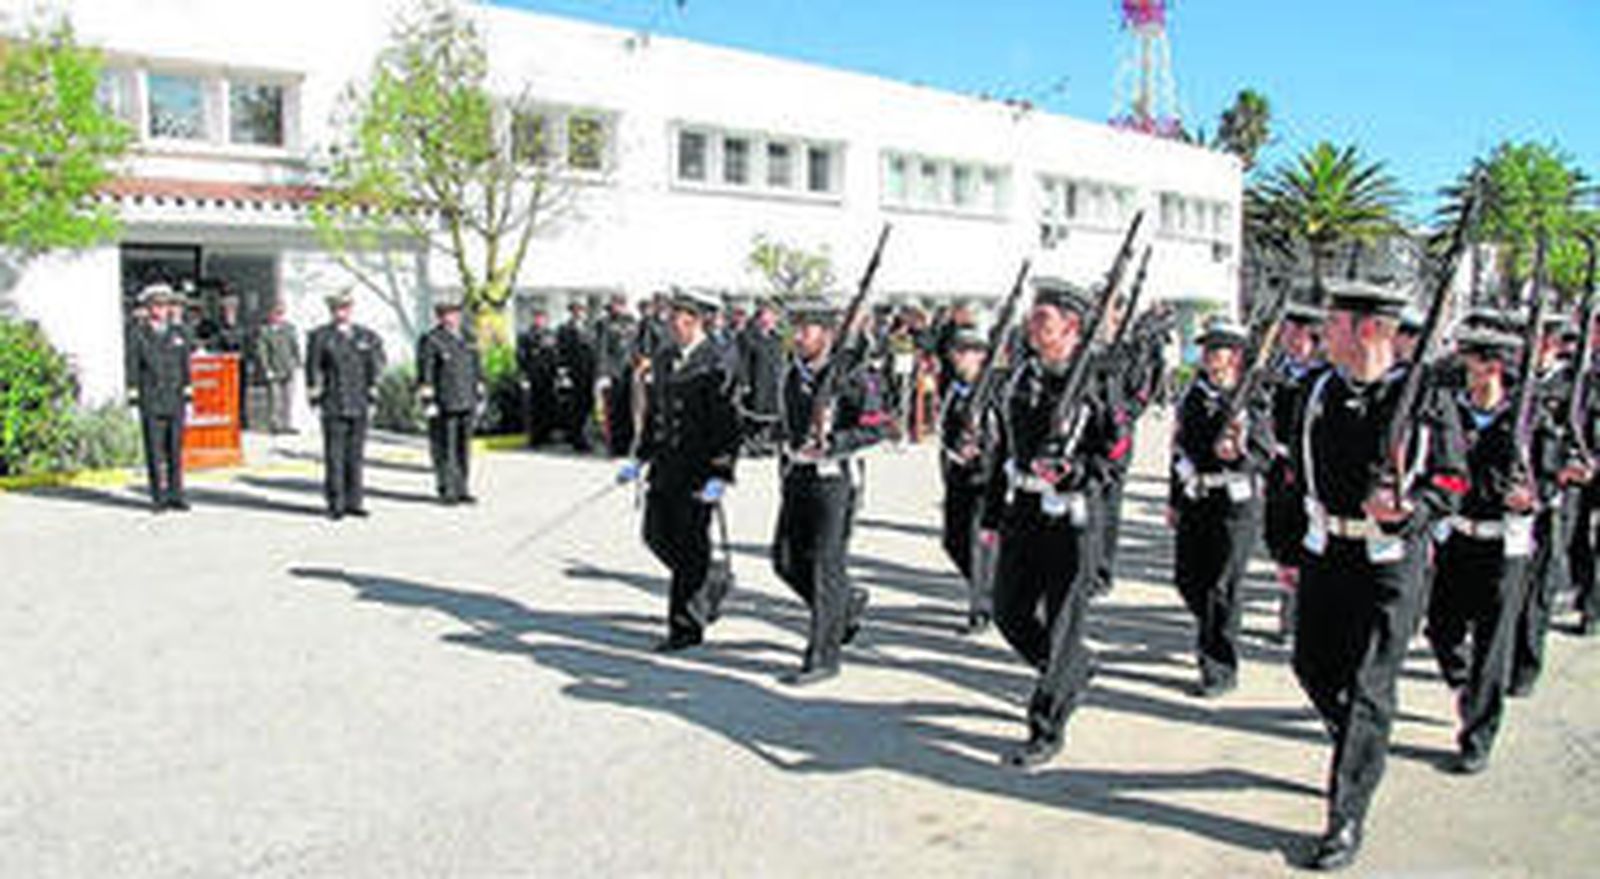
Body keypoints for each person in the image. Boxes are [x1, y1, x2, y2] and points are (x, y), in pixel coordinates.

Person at [1288, 279, 1467, 871]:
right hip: (1325, 552)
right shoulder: (1315, 390)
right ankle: (1362, 742)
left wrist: (1412, 512)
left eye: (1333, 324)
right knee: (1311, 664)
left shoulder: (1423, 398)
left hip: (1388, 564)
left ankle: (1346, 815)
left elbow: (1450, 480)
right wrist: (1288, 548)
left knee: (1369, 686)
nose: (1322, 334)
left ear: (1368, 330)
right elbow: (1292, 475)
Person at [978, 277, 1123, 769]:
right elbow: (1002, 453)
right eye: (1033, 317)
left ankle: (1047, 725)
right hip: (1024, 510)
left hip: (1074, 517)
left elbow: (1115, 453)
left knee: (1062, 622)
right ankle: (1070, 669)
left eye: (1043, 319)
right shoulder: (1021, 378)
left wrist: (1076, 471)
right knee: (1008, 611)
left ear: (1072, 327)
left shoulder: (1099, 382)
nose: (1033, 326)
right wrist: (993, 514)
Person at [1425, 325, 1555, 775]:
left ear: (1494, 367)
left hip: (1505, 544)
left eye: (1472, 362)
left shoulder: (1527, 416)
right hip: (1458, 535)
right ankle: (1466, 687)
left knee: (1491, 644)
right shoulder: (1450, 411)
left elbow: (1553, 473)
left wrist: (1535, 497)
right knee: (1440, 627)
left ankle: (1477, 735)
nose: (1463, 370)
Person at [771, 295, 888, 685]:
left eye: (807, 329)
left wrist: (833, 443)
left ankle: (823, 656)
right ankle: (846, 604)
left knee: (825, 566)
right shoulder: (793, 373)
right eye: (796, 328)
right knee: (785, 560)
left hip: (834, 480)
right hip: (797, 475)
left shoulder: (852, 374)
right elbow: (788, 422)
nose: (799, 336)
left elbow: (878, 426)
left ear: (827, 333)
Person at [618, 288, 743, 651]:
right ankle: (710, 580)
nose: (672, 326)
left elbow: (728, 425)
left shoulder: (717, 360)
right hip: (665, 466)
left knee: (690, 548)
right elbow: (657, 414)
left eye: (678, 320)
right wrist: (639, 457)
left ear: (695, 321)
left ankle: (685, 627)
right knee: (656, 536)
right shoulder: (664, 356)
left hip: (699, 471)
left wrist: (720, 475)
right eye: (671, 319)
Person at [1169, 317, 1270, 697]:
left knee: (1221, 586)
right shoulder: (1193, 395)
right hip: (1197, 499)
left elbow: (1264, 454)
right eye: (1208, 349)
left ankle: (1219, 668)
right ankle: (1215, 629)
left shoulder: (1252, 398)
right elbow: (1178, 450)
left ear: (1236, 357)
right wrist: (1175, 499)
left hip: (1235, 505)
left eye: (1219, 349)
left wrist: (1238, 453)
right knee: (1187, 579)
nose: (1210, 355)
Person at [1262, 301, 1329, 642]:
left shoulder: (1323, 379)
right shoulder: (1274, 370)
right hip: (1277, 464)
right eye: (1287, 332)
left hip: (1308, 469)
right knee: (1280, 539)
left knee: (1305, 541)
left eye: (1296, 334)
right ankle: (1288, 609)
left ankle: (1297, 617)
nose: (1289, 339)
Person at [306, 289, 385, 520]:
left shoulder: (365, 336)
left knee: (355, 455)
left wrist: (373, 395)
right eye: (338, 309)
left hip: (358, 402)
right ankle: (335, 502)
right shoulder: (320, 336)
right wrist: (314, 396)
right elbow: (313, 368)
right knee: (334, 455)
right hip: (334, 402)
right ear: (331, 311)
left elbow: (374, 368)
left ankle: (355, 501)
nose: (342, 312)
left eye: (346, 308)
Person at [938, 323, 997, 633]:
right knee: (952, 541)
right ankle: (989, 585)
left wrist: (983, 454)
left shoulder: (993, 391)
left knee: (979, 544)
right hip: (957, 474)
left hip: (984, 479)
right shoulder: (954, 387)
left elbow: (1005, 438)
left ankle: (981, 608)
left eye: (964, 352)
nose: (956, 358)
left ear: (980, 356)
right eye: (955, 351)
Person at [124, 283, 194, 512]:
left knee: (175, 450)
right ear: (148, 308)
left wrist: (189, 397)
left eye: (165, 305)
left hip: (174, 399)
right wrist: (134, 400)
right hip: (151, 399)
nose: (161, 310)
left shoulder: (179, 333)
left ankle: (177, 494)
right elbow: (132, 367)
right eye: (156, 305)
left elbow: (185, 367)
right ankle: (158, 497)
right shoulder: (138, 334)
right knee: (154, 451)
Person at [417, 296, 483, 505]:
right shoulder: (431, 339)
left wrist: (480, 394)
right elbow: (425, 373)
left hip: (466, 400)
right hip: (444, 403)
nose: (451, 318)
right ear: (440, 316)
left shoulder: (468, 337)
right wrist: (428, 402)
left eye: (454, 314)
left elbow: (476, 369)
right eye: (446, 314)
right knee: (445, 448)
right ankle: (447, 489)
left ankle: (462, 488)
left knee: (463, 448)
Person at [737, 298, 785, 454]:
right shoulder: (747, 336)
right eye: (767, 315)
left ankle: (766, 441)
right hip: (756, 380)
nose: (770, 320)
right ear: (760, 317)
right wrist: (744, 382)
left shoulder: (777, 339)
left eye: (773, 316)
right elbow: (743, 361)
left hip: (772, 381)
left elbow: (781, 361)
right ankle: (752, 443)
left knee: (771, 413)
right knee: (754, 413)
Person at [595, 294, 639, 457]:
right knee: (612, 411)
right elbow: (601, 349)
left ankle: (627, 445)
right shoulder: (604, 323)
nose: (619, 307)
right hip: (612, 372)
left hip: (629, 371)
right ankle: (614, 447)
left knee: (628, 409)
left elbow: (636, 345)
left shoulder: (631, 321)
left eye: (621, 304)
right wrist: (602, 374)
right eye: (616, 304)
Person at [556, 299, 597, 452]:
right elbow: (561, 352)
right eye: (576, 310)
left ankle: (582, 435)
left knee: (587, 405)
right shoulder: (564, 329)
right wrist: (563, 371)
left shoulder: (589, 328)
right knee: (575, 406)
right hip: (573, 372)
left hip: (588, 373)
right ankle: (576, 438)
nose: (579, 313)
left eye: (581, 310)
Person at [516, 307, 560, 448]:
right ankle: (535, 437)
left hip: (548, 376)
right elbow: (521, 357)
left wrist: (557, 372)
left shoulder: (551, 335)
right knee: (534, 408)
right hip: (534, 376)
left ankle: (547, 434)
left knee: (548, 406)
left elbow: (555, 355)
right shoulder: (526, 336)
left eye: (542, 318)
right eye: (537, 318)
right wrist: (524, 375)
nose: (540, 320)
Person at [255, 301, 301, 434]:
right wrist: (267, 368)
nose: (279, 317)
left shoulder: (289, 328)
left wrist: (297, 361)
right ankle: (275, 424)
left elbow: (294, 346)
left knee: (288, 398)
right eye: (276, 314)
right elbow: (262, 351)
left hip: (288, 367)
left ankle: (287, 423)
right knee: (275, 399)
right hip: (274, 367)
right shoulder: (265, 331)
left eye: (281, 314)